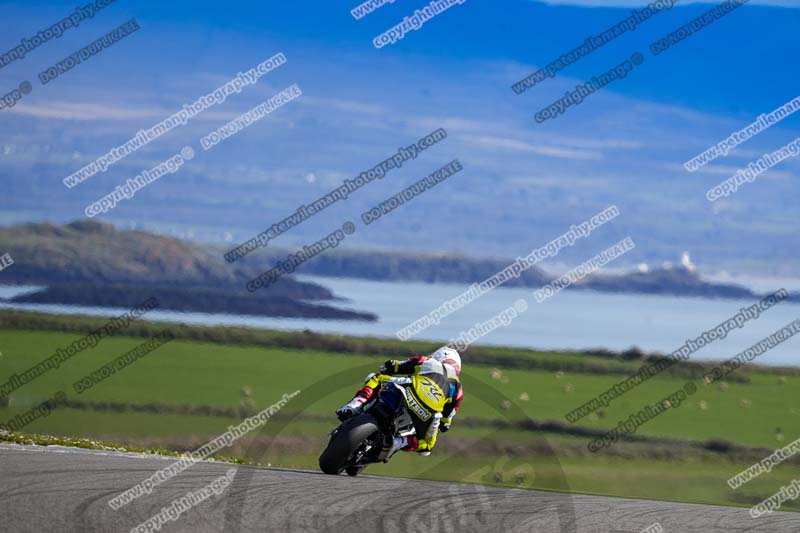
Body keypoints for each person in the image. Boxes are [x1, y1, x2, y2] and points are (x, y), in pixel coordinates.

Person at [335, 347, 463, 456]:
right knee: (426, 447)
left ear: (438, 357)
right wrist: (438, 425)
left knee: (377, 379)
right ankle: (397, 443)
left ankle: (353, 406)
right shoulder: (458, 388)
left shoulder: (427, 361)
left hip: (410, 388)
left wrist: (387, 367)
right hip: (430, 412)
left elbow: (392, 366)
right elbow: (446, 422)